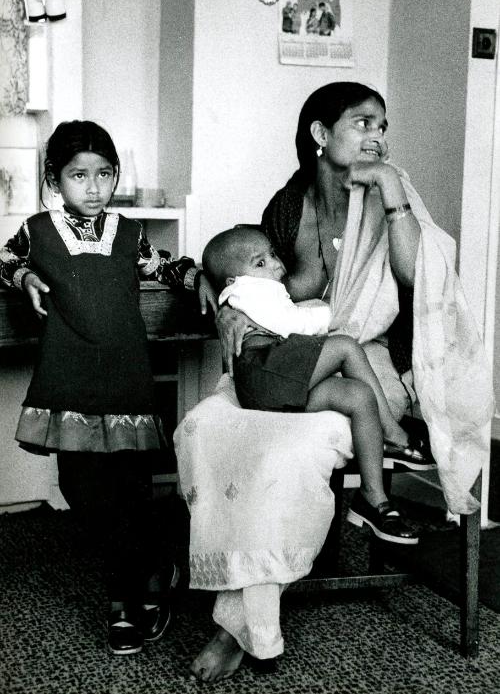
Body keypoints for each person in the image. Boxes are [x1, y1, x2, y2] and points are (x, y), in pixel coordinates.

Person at [179, 82, 494, 681]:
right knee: (206, 425)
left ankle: (237, 627)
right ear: (322, 135)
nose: (377, 135)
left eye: (383, 125)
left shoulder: (391, 195)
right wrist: (217, 294)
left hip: (369, 367)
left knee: (283, 455)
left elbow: (416, 278)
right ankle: (230, 581)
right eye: (363, 123)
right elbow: (246, 268)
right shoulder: (289, 205)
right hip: (291, 357)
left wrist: (392, 188)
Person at [0, 120, 216, 656]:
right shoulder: (37, 229)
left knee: (133, 491)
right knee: (82, 491)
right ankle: (151, 571)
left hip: (126, 383)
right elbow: (3, 259)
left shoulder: (126, 230)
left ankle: (127, 599)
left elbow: (162, 268)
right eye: (79, 176)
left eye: (104, 174)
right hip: (69, 382)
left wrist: (201, 279)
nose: (93, 187)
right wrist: (24, 276)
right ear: (55, 179)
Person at [203, 225, 429, 540]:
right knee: (346, 346)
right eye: (261, 262)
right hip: (266, 371)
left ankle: (372, 498)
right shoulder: (246, 291)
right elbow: (290, 323)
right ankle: (393, 432)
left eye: (272, 256)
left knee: (358, 395)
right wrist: (334, 317)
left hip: (277, 383)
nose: (274, 264)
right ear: (233, 281)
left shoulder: (256, 288)